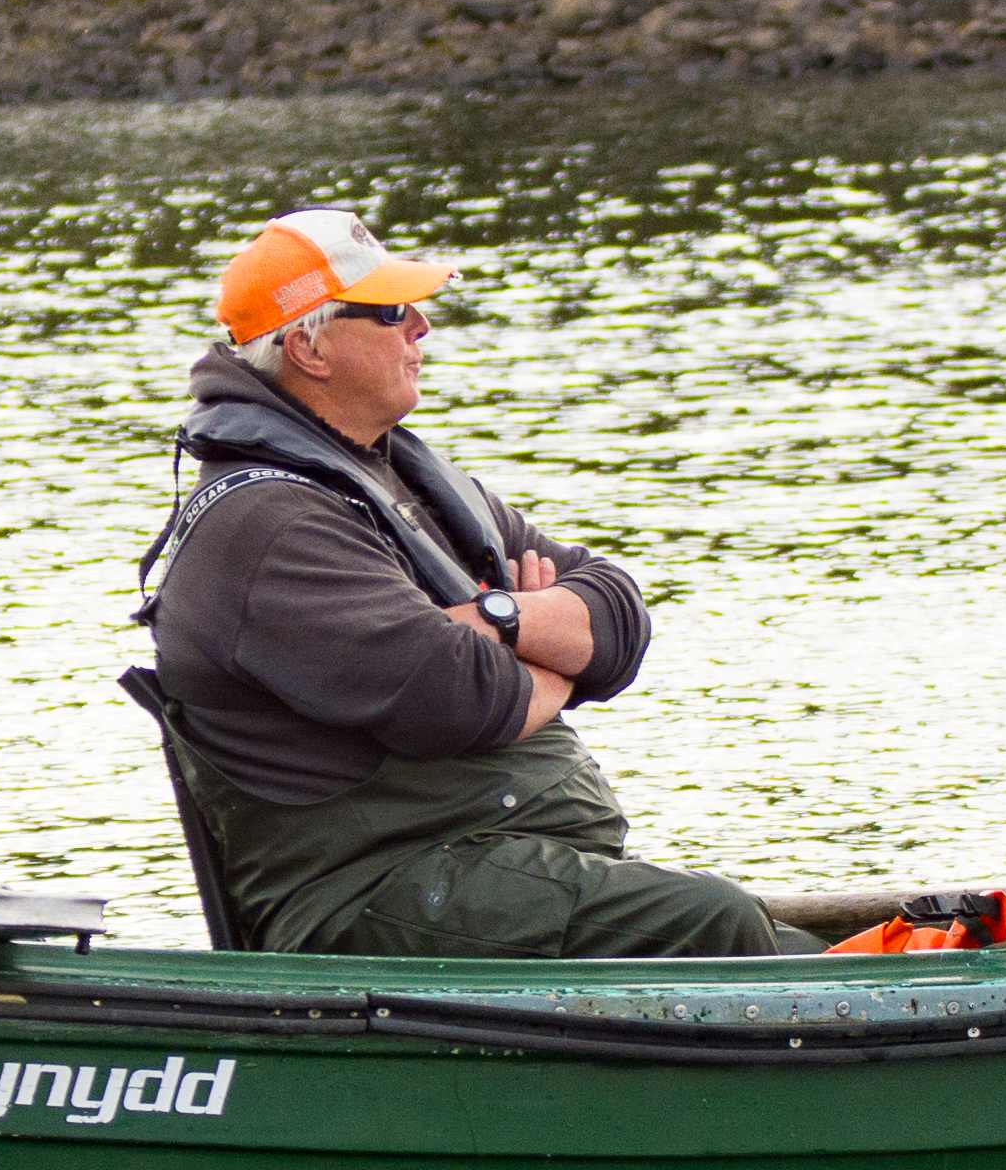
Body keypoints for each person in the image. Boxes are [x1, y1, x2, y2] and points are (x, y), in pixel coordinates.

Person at [136, 207, 803, 958]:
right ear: (307, 348)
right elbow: (460, 694)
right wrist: (549, 650)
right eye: (391, 311)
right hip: (371, 894)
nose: (421, 327)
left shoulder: (399, 477)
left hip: (490, 860)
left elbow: (618, 615)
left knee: (803, 946)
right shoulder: (270, 525)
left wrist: (498, 618)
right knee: (712, 920)